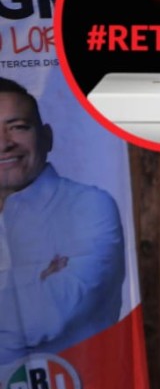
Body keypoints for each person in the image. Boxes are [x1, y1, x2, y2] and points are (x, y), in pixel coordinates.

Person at [0, 78, 125, 365]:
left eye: (18, 127)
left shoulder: (90, 206)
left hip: (81, 387)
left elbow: (47, 315)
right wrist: (35, 284)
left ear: (47, 137)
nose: (4, 143)